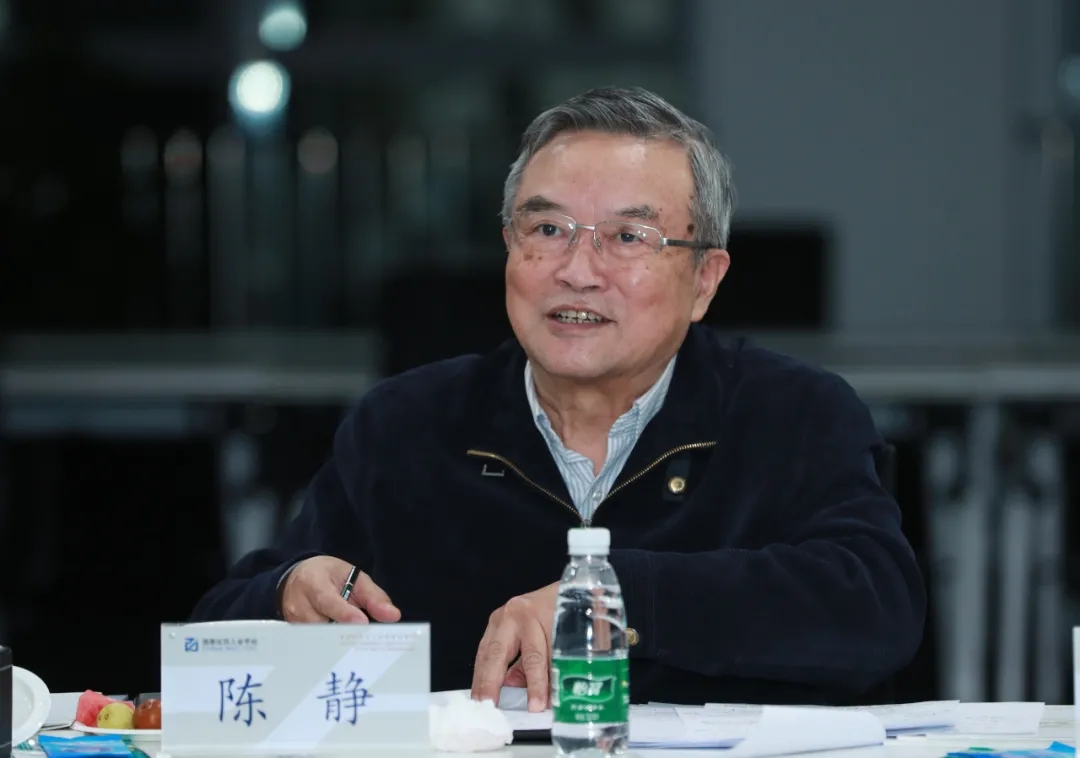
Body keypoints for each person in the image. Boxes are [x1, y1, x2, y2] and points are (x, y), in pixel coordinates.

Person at [191, 86, 925, 710]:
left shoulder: (793, 415)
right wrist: (286, 592)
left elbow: (876, 607)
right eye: (548, 229)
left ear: (704, 279)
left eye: (628, 237)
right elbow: (213, 643)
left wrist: (616, 596)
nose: (578, 270)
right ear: (510, 248)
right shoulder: (405, 426)